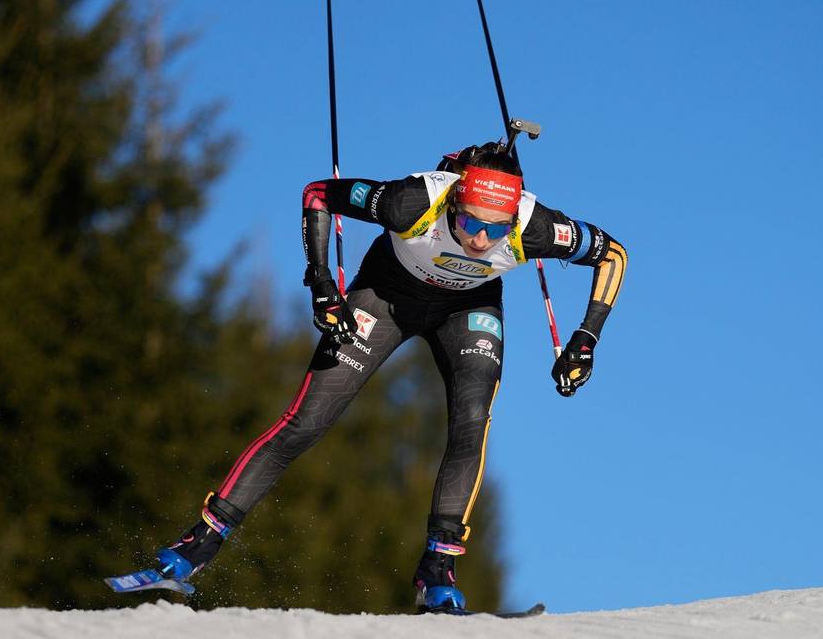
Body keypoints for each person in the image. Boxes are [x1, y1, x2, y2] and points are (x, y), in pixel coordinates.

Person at [145, 140, 627, 612]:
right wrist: (320, 283)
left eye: (495, 230)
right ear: (455, 200)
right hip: (387, 296)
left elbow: (612, 255)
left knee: (471, 422)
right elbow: (318, 193)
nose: (481, 239)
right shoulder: (411, 201)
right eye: (468, 222)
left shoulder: (536, 227)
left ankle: (438, 569)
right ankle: (199, 543)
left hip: (467, 308)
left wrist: (586, 339)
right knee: (307, 422)